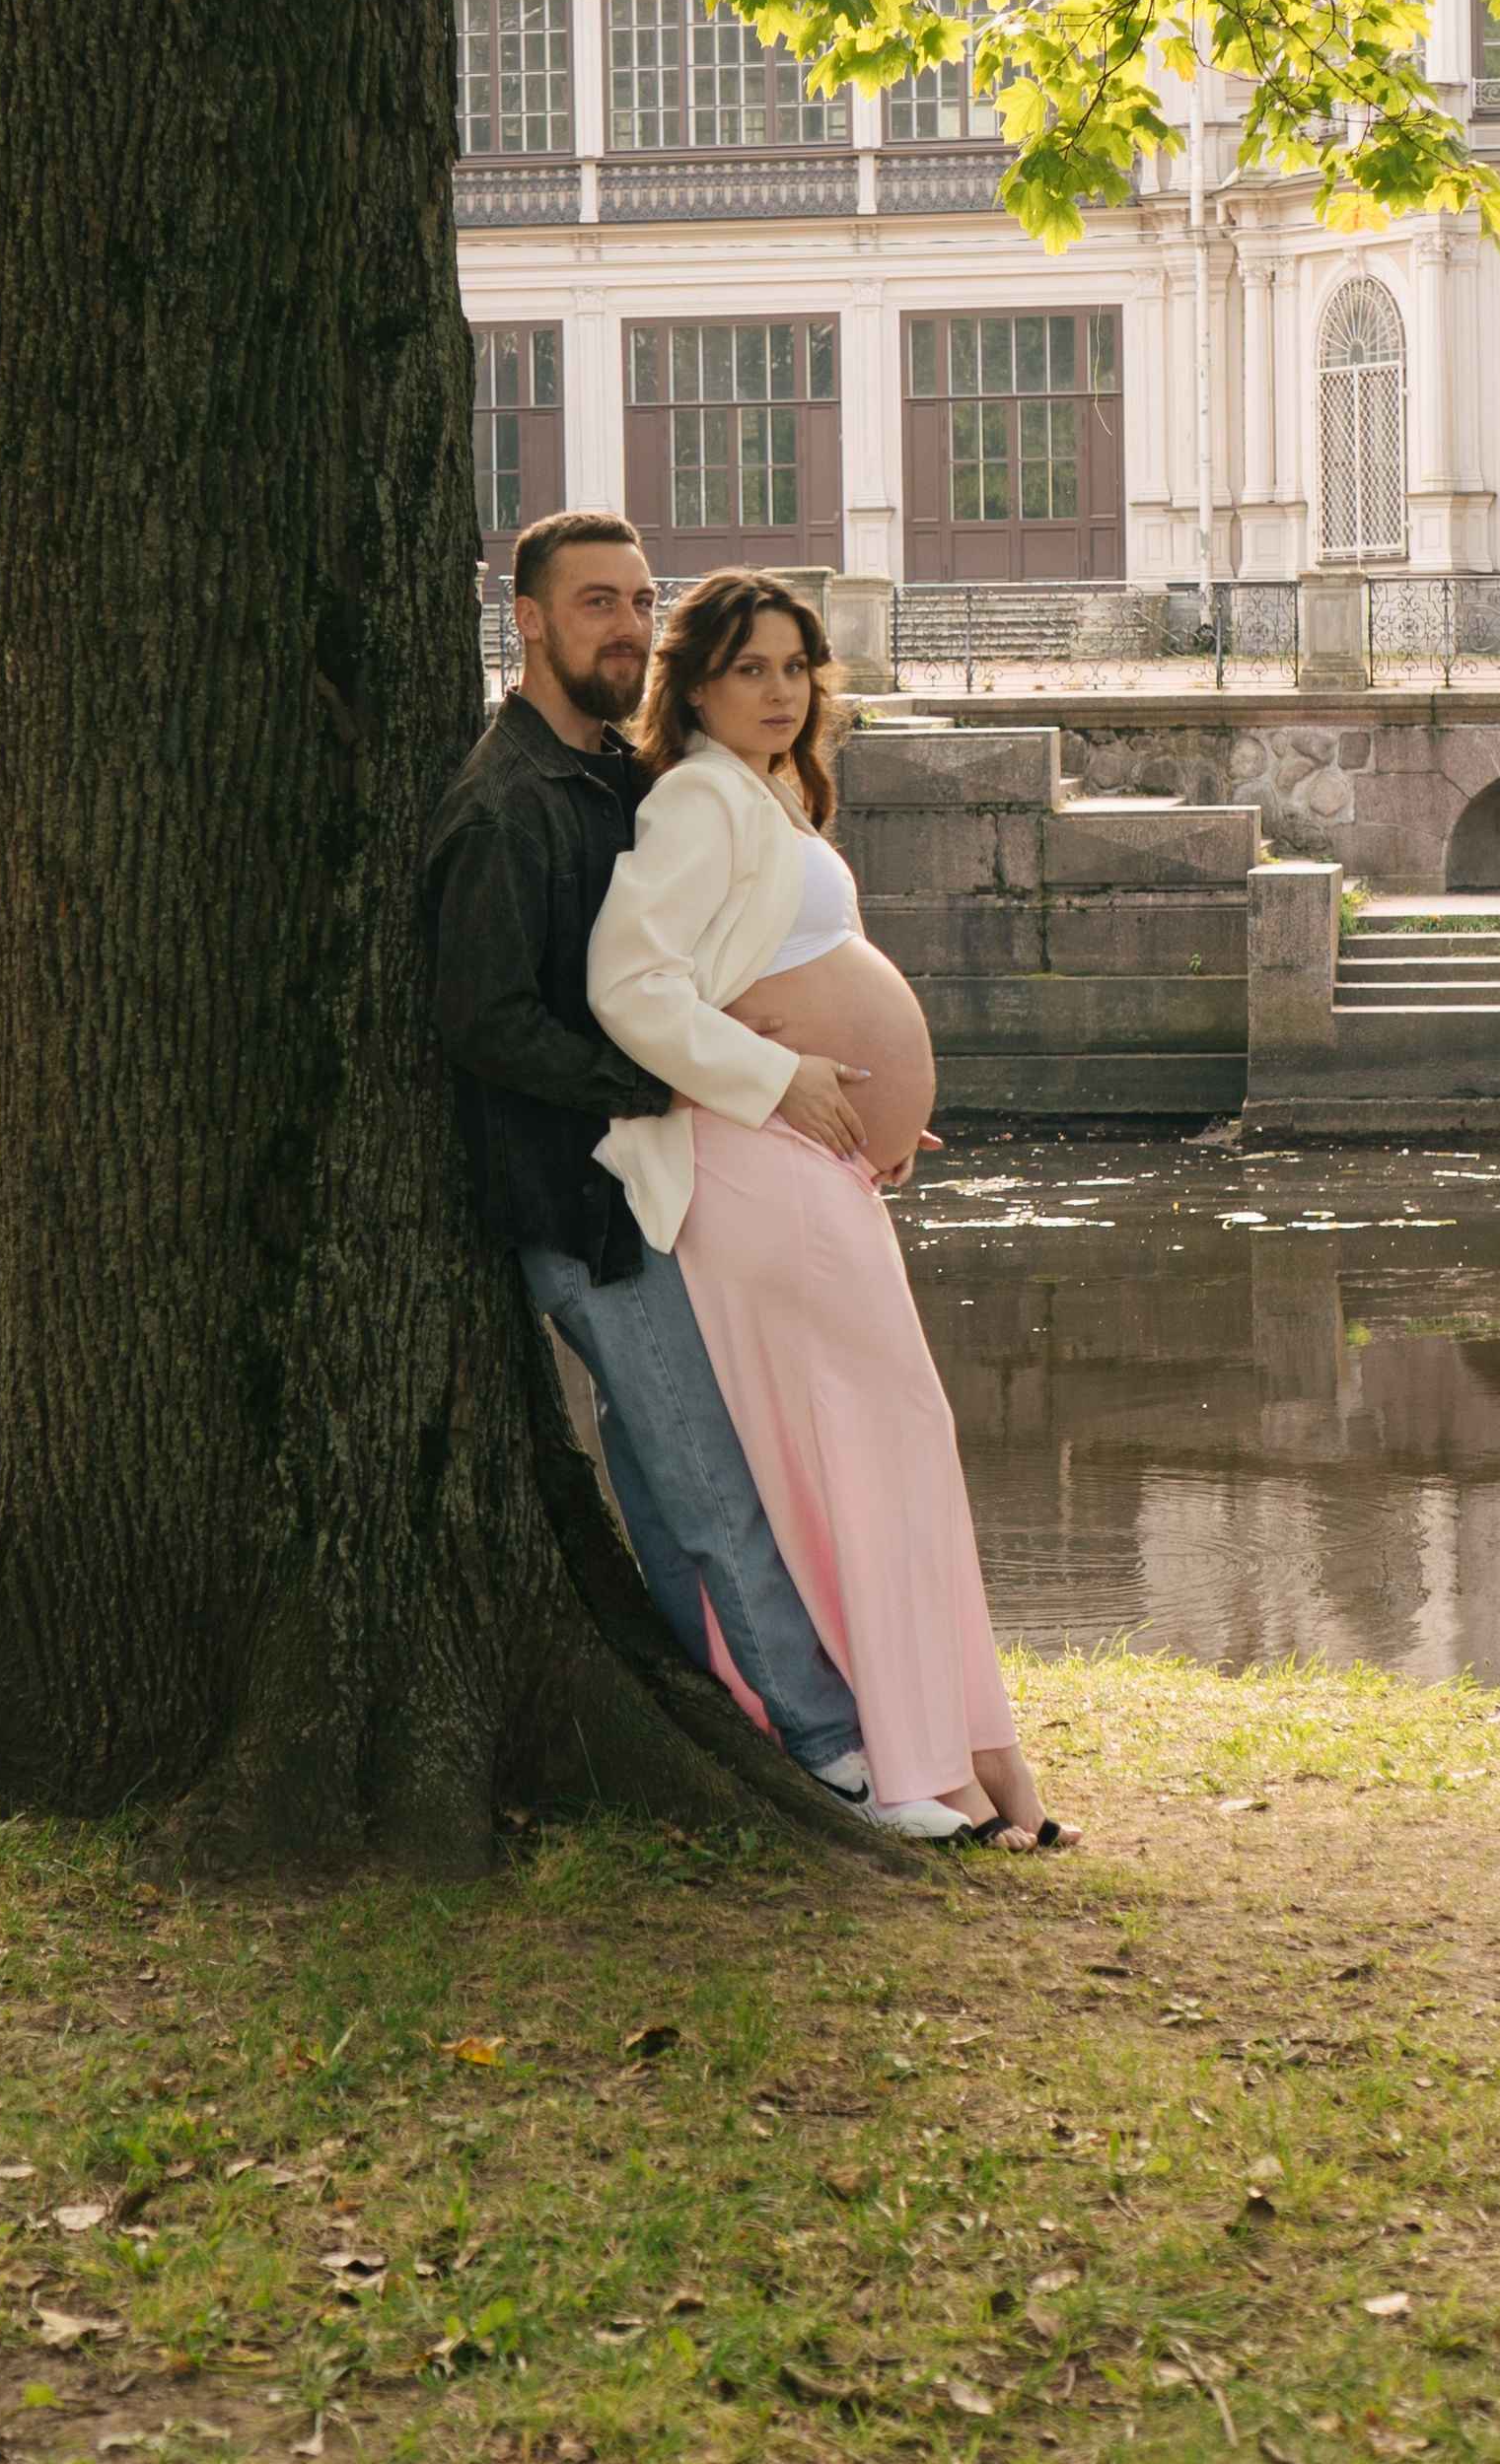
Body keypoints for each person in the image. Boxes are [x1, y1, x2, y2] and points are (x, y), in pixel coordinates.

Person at [420, 512, 962, 1840]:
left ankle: (710, 1707)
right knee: (707, 1475)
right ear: (528, 621)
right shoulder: (503, 803)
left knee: (666, 1486)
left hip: (653, 1178)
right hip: (577, 1196)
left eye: (640, 599)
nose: (627, 623)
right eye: (595, 601)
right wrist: (679, 1078)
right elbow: (486, 1021)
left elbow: (697, 952)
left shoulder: (613, 773)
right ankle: (834, 1755)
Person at [586, 570, 1069, 1849]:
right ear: (693, 686)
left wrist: (881, 1112)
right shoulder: (696, 800)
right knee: (865, 1443)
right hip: (750, 1163)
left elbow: (777, 970)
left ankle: (970, 1763)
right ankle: (911, 1766)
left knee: (883, 1440)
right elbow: (629, 989)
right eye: (751, 667)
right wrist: (786, 1076)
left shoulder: (768, 798)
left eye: (798, 666)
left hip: (809, 1163)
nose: (783, 690)